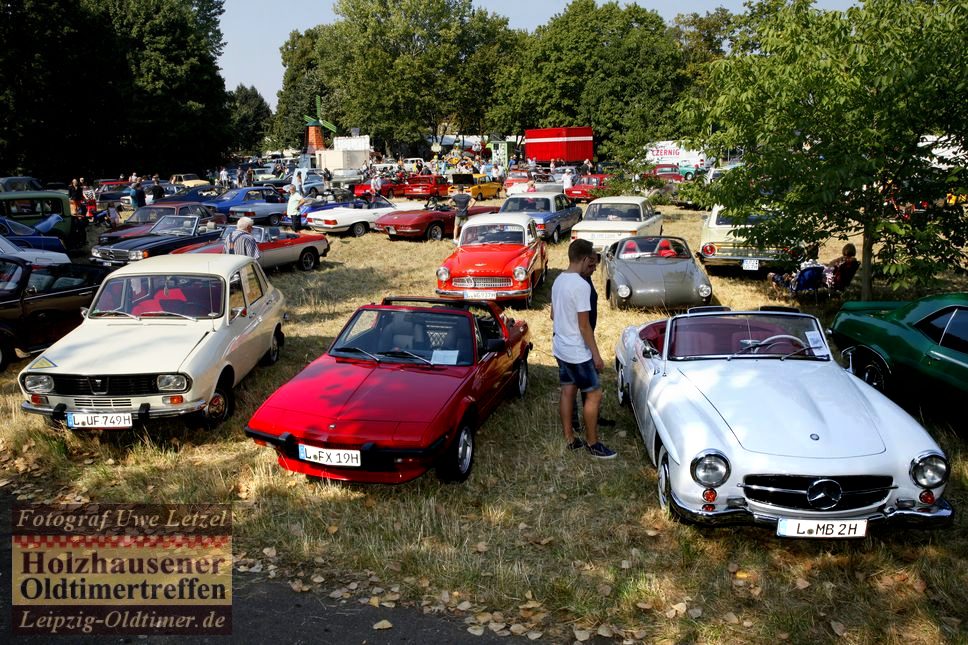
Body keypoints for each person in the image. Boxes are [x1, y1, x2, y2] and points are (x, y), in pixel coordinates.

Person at [551, 239, 616, 459]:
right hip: (576, 352)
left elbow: (553, 315)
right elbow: (584, 325)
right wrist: (596, 356)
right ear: (586, 258)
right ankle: (592, 443)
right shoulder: (580, 285)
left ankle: (570, 438)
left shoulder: (558, 280)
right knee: (594, 394)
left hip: (560, 347)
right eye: (592, 260)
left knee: (568, 391)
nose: (594, 264)